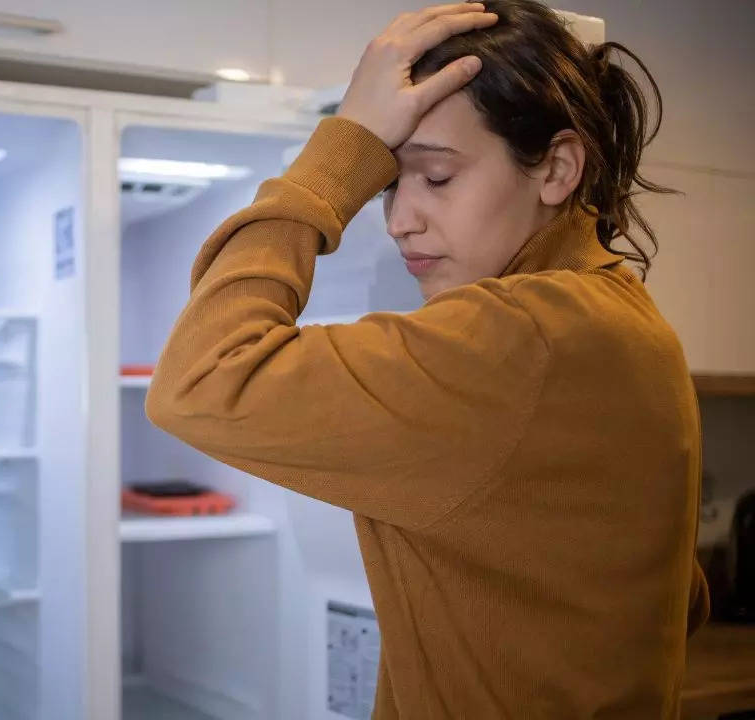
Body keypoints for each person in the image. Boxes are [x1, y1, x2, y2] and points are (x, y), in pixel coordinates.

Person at [144, 1, 709, 716]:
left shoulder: (522, 335)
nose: (400, 219)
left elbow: (199, 378)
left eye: (437, 178)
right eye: (388, 183)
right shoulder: (626, 321)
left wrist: (338, 155)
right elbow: (675, 599)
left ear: (558, 168)